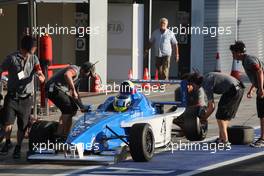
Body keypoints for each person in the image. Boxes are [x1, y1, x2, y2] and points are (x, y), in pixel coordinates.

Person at [0, 35, 45, 158]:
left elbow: (40, 72)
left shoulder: (34, 59)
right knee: (7, 122)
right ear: (27, 47)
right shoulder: (12, 58)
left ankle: (18, 147)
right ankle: (8, 142)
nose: (35, 49)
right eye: (34, 47)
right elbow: (1, 68)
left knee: (22, 125)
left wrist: (40, 77)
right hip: (12, 96)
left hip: (26, 98)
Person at [188, 72, 244, 144]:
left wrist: (203, 119)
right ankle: (221, 138)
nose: (192, 87)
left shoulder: (206, 84)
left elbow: (212, 107)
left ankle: (225, 141)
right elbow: (210, 104)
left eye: (191, 85)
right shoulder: (206, 78)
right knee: (223, 116)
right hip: (235, 89)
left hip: (234, 91)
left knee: (220, 117)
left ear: (195, 82)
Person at [45, 62, 95, 140]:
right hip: (53, 88)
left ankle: (66, 134)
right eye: (89, 75)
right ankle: (59, 135)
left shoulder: (79, 78)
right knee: (68, 109)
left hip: (58, 90)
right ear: (84, 71)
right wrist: (73, 89)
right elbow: (67, 74)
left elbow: (76, 94)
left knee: (73, 108)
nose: (88, 77)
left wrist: (81, 106)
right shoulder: (76, 69)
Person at [230, 41, 264, 147]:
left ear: (239, 52)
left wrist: (261, 89)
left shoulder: (249, 60)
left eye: (233, 53)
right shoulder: (246, 60)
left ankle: (263, 139)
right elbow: (257, 74)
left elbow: (259, 72)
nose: (232, 55)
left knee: (262, 114)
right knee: (262, 114)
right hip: (260, 87)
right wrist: (253, 89)